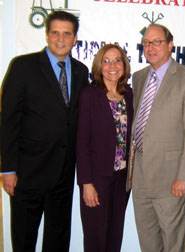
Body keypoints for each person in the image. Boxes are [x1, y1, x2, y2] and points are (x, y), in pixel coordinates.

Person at [0, 11, 89, 252]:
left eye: (67, 34)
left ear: (75, 38)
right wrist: (7, 168)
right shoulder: (23, 66)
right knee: (24, 238)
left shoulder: (81, 72)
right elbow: (8, 120)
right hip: (28, 172)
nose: (61, 39)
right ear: (47, 34)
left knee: (58, 237)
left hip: (63, 173)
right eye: (55, 33)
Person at [127, 23, 185, 252]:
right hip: (140, 175)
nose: (151, 47)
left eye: (157, 42)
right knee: (148, 243)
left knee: (174, 244)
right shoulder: (140, 76)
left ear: (170, 45)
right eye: (146, 43)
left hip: (172, 179)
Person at [76, 44, 133, 252]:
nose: (112, 65)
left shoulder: (129, 95)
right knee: (96, 238)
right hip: (97, 179)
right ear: (99, 66)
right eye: (106, 60)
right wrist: (86, 183)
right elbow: (82, 142)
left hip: (122, 179)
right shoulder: (90, 94)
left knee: (114, 235)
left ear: (124, 65)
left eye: (117, 60)